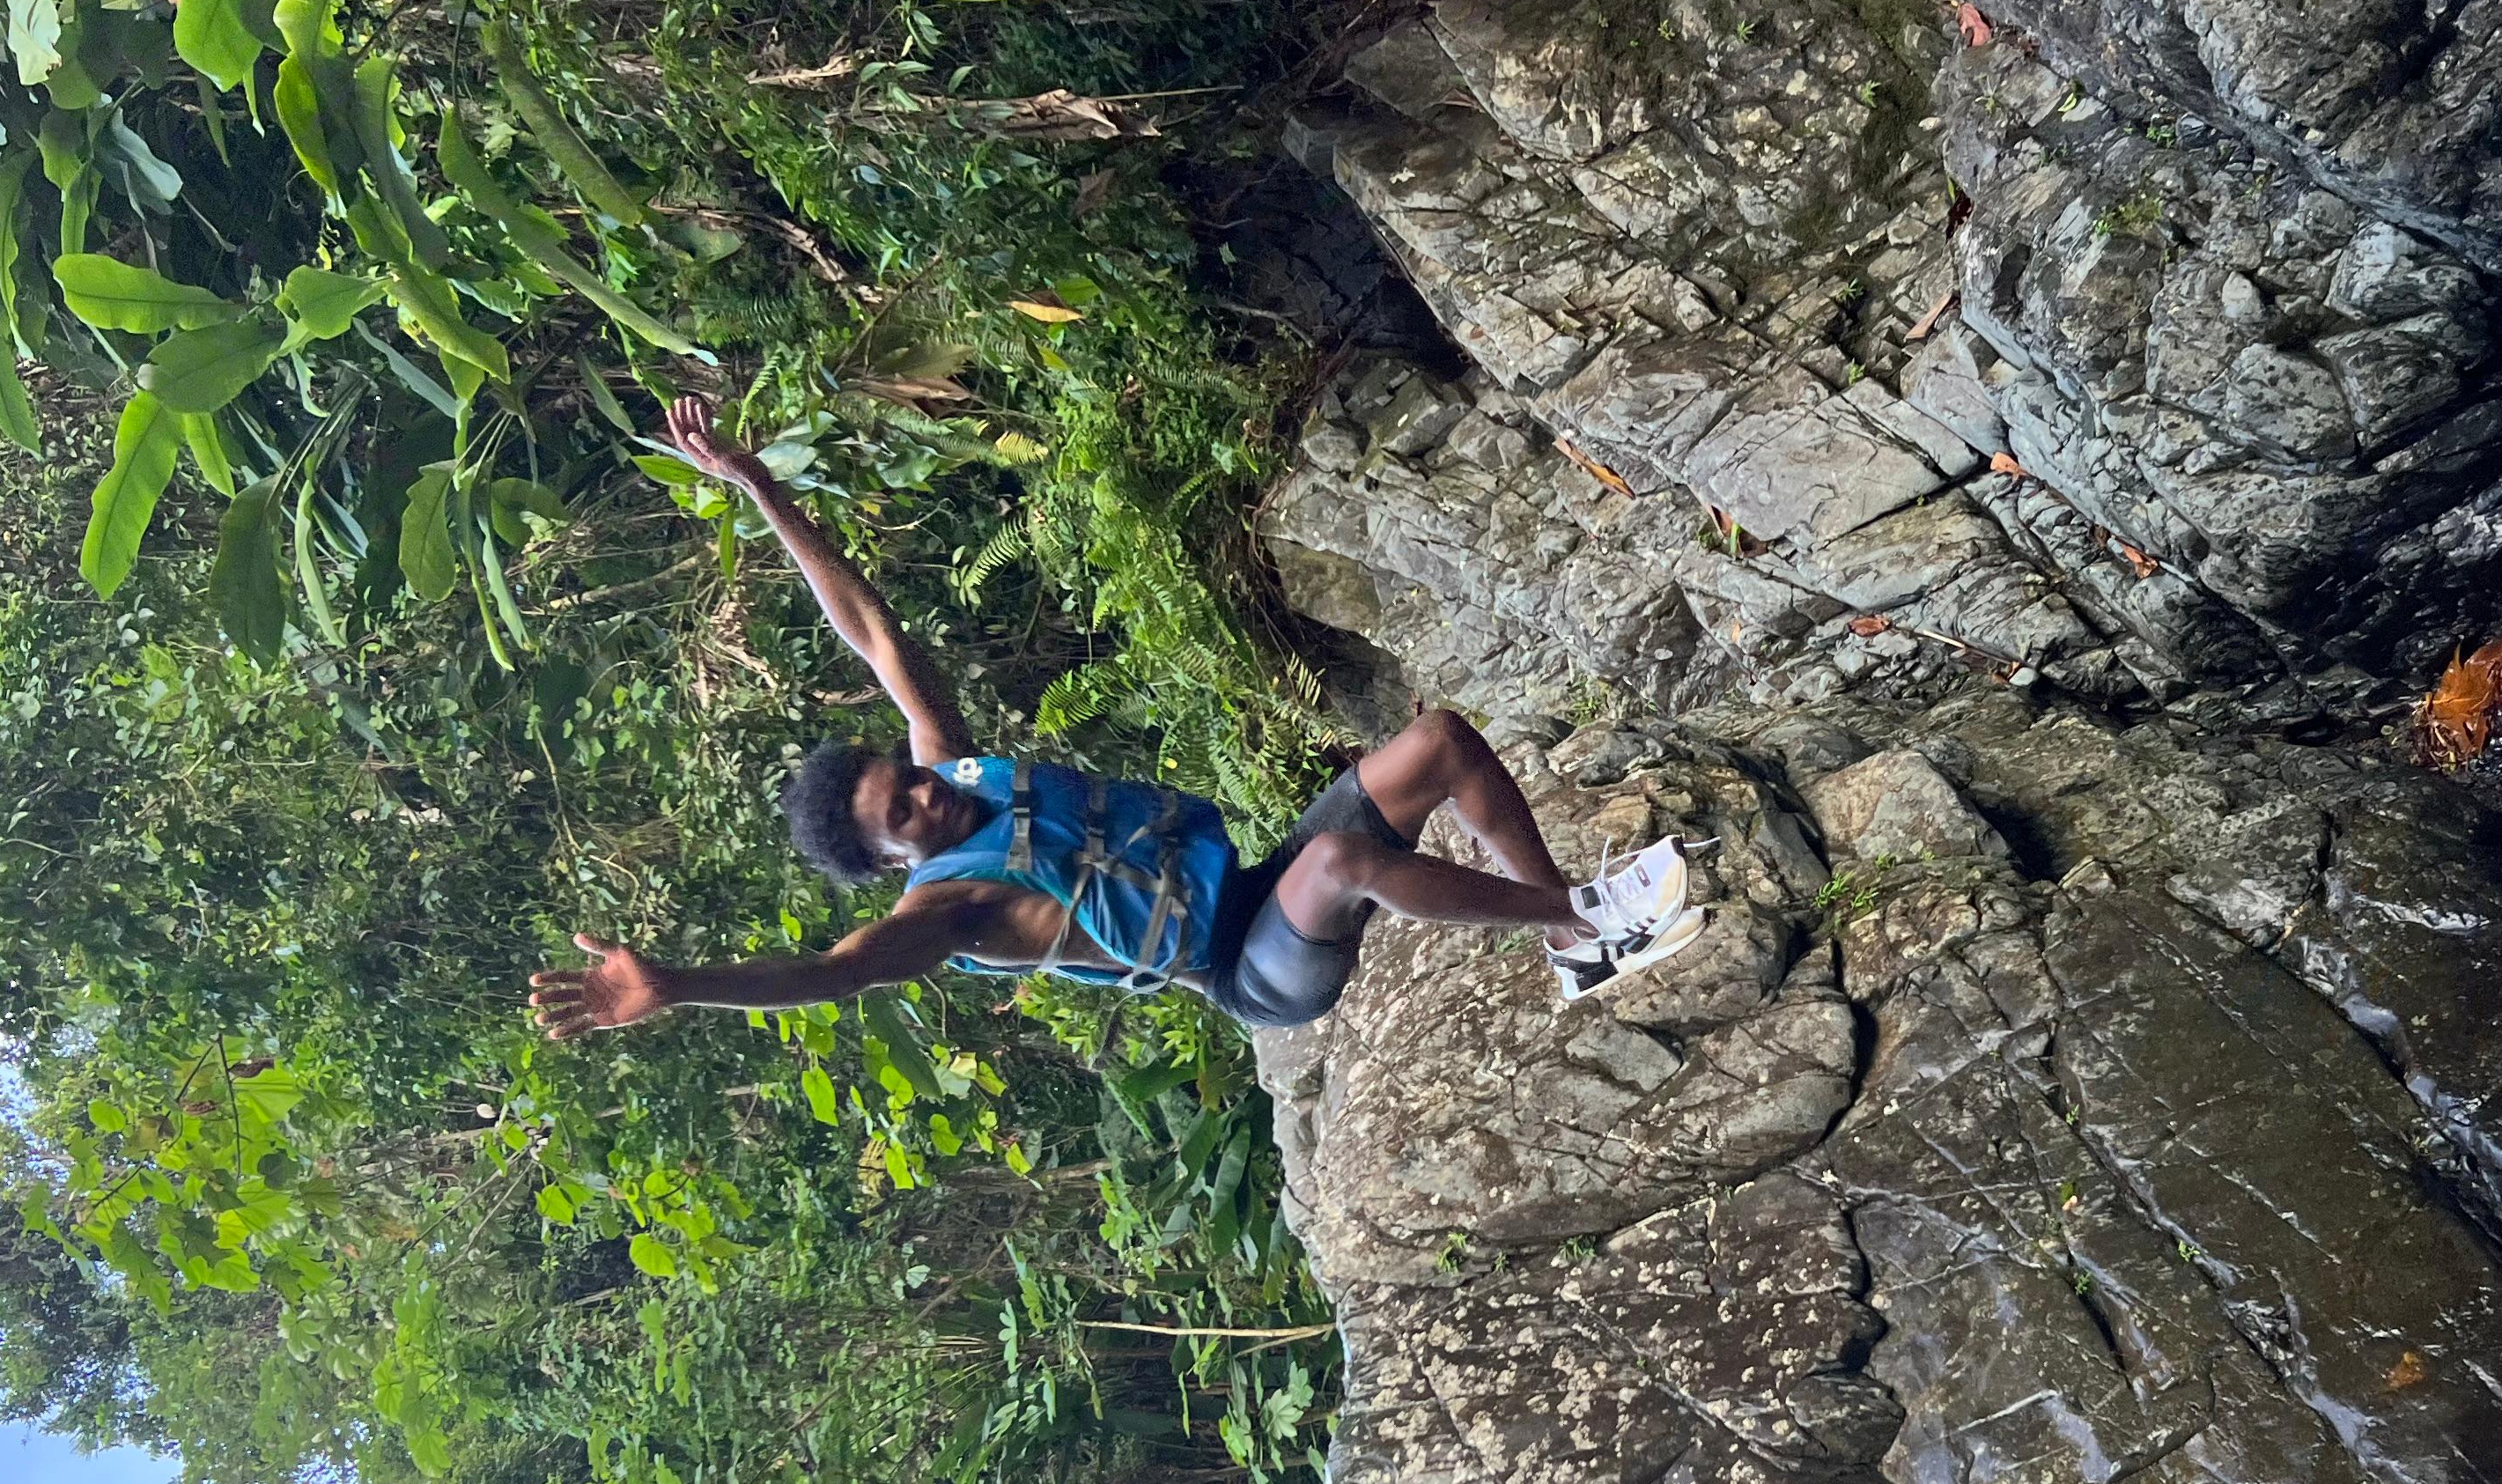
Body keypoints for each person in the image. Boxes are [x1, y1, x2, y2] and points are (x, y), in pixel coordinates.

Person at [529, 395, 1700, 1042]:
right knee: (1345, 857)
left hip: (1249, 878)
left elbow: (871, 630)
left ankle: (1567, 938)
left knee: (1436, 739)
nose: (929, 795)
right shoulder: (949, 910)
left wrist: (760, 487)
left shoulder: (958, 774)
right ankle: (1584, 919)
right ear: (889, 861)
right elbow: (837, 975)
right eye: (907, 817)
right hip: (1249, 968)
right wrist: (681, 983)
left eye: (911, 778)